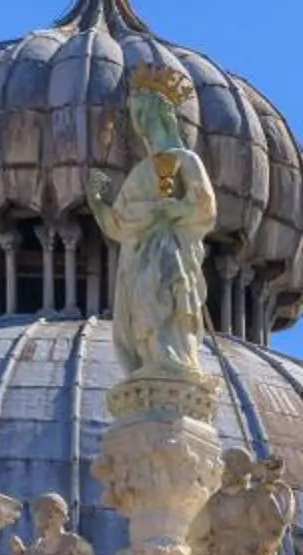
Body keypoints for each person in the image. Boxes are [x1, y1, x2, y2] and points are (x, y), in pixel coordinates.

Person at [86, 61, 218, 380]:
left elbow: (204, 208)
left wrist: (168, 209)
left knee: (161, 303)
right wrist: (98, 199)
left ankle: (169, 361)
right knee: (141, 315)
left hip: (170, 253)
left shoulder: (184, 160)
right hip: (136, 259)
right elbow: (118, 224)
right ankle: (152, 364)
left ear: (161, 113)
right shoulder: (141, 172)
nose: (139, 121)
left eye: (143, 111)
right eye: (135, 113)